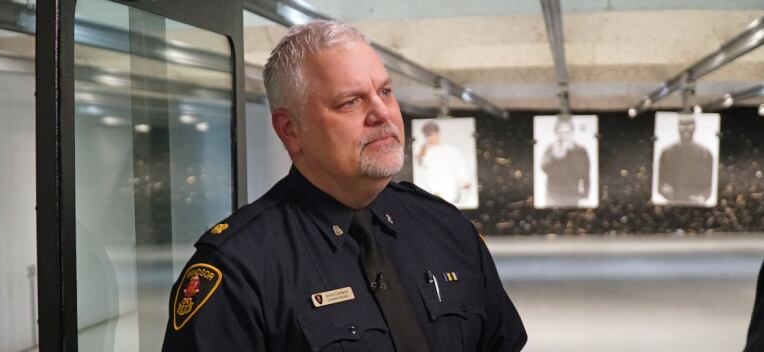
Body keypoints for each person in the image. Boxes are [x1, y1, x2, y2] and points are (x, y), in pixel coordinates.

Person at [162, 20, 527, 352]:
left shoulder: (448, 229)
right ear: (290, 130)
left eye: (385, 92)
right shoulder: (240, 270)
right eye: (350, 101)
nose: (381, 113)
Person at [656, 114, 713, 203]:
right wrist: (663, 189)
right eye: (682, 125)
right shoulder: (666, 153)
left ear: (695, 127)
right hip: (673, 203)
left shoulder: (705, 154)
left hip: (697, 204)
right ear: (677, 127)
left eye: (690, 125)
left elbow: (710, 185)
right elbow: (659, 181)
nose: (686, 129)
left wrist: (703, 196)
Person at [414, 120, 473, 205]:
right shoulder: (424, 155)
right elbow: (427, 177)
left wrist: (465, 181)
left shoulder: (451, 151)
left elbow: (460, 169)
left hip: (451, 197)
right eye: (428, 135)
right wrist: (435, 192)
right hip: (433, 198)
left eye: (432, 134)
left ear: (437, 134)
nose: (430, 138)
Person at [540, 118, 590, 207]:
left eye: (567, 132)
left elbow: (585, 175)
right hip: (553, 195)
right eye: (560, 132)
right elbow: (544, 168)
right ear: (556, 133)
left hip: (573, 195)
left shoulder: (581, 151)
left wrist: (585, 195)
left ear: (572, 132)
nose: (563, 136)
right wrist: (554, 156)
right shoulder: (550, 149)